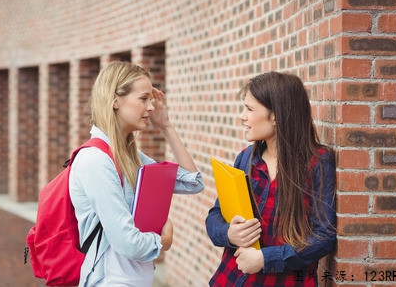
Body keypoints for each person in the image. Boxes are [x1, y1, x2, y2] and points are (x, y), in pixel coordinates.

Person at [69, 61, 204, 287]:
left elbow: (193, 182)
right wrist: (163, 241)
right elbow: (127, 243)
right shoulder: (96, 160)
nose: (151, 107)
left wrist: (166, 126)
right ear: (115, 101)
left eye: (151, 99)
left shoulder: (132, 157)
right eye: (143, 99)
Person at [206, 71, 336, 286]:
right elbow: (216, 214)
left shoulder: (318, 163)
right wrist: (228, 233)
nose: (242, 116)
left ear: (275, 115)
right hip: (230, 279)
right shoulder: (246, 157)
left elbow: (323, 237)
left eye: (249, 109)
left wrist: (265, 259)